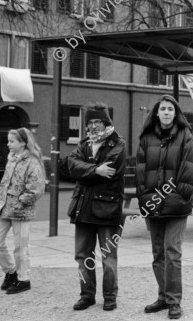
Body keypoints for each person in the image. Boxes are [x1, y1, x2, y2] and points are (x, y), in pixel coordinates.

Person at [136, 94, 193, 320]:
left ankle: (174, 301)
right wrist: (145, 198)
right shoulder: (146, 137)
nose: (166, 113)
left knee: (172, 253)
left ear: (175, 114)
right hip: (153, 204)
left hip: (176, 205)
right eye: (162, 109)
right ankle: (163, 297)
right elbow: (140, 171)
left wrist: (177, 196)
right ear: (156, 112)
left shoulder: (185, 136)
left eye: (170, 110)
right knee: (158, 253)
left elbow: (190, 170)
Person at [67, 103, 126, 311]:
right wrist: (94, 170)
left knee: (108, 257)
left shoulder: (118, 144)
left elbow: (110, 170)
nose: (93, 126)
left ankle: (110, 297)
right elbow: (71, 165)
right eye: (90, 122)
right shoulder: (83, 144)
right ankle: (87, 295)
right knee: (83, 256)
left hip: (108, 209)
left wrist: (85, 172)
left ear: (106, 122)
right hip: (82, 207)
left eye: (97, 121)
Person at [0, 128, 45, 295]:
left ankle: (24, 279)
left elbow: (37, 189)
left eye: (12, 141)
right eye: (8, 141)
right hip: (3, 208)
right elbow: (4, 183)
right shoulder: (11, 160)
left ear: (23, 142)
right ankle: (11, 273)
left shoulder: (33, 162)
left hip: (21, 211)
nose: (8, 144)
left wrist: (21, 202)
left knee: (20, 247)